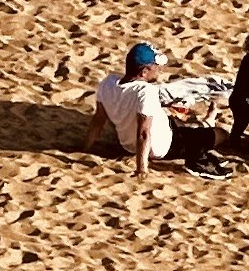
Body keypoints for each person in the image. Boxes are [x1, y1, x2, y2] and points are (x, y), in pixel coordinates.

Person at [94, 44, 236, 179]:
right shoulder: (145, 92)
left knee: (181, 123)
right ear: (144, 72)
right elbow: (143, 133)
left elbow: (98, 120)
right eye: (156, 66)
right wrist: (141, 168)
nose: (159, 69)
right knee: (221, 134)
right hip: (164, 146)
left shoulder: (109, 82)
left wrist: (86, 147)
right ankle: (206, 133)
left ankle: (209, 119)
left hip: (126, 144)